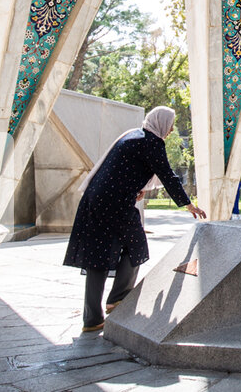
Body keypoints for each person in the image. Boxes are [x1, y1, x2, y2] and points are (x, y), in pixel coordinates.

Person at [64, 107, 206, 333]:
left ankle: (92, 320)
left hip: (94, 200)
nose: (170, 130)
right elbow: (167, 175)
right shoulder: (151, 142)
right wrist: (188, 204)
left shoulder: (132, 136)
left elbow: (120, 172)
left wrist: (136, 189)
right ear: (160, 123)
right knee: (137, 246)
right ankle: (118, 297)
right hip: (115, 204)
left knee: (97, 258)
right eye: (170, 124)